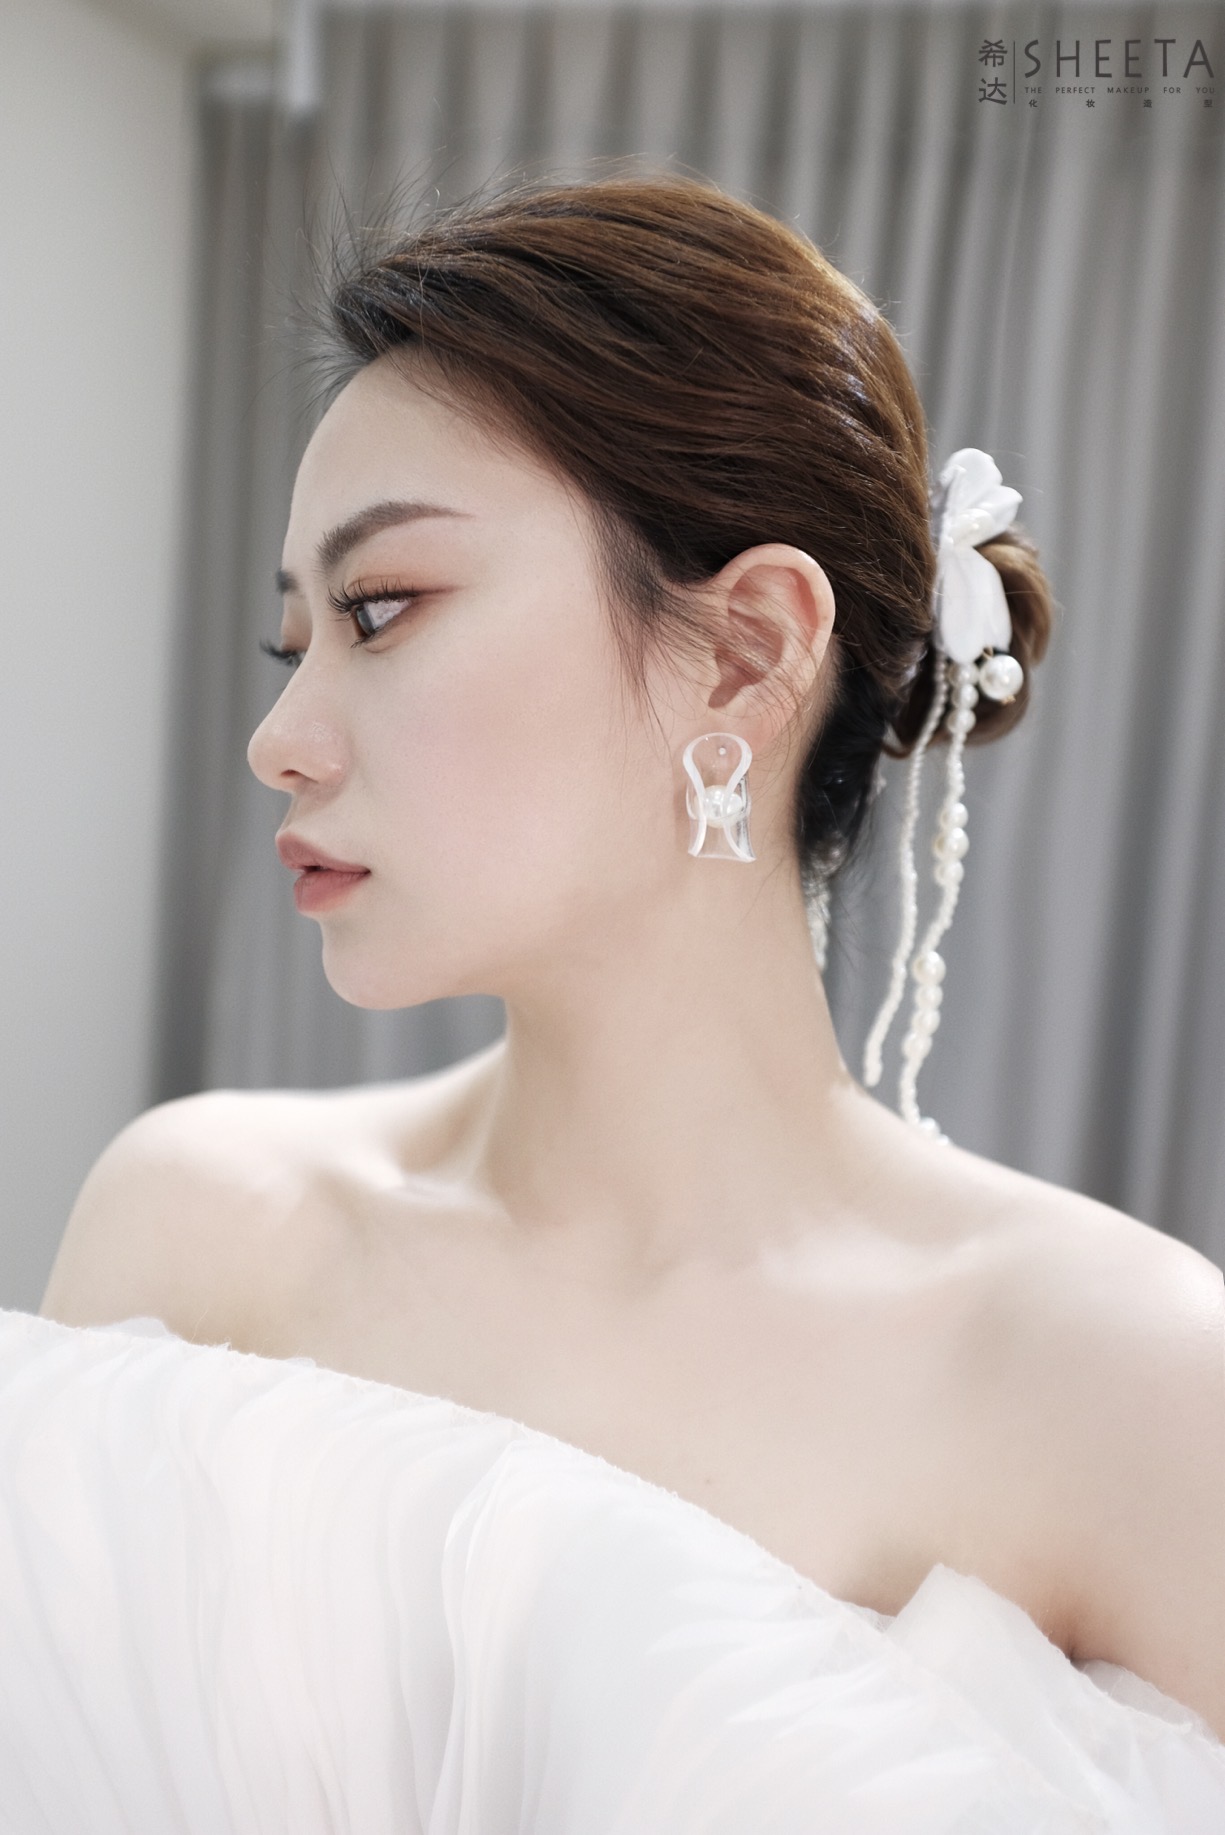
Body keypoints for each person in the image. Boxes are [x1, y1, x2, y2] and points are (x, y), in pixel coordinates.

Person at [6, 174, 1224, 1829]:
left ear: (745, 650)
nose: (278, 741)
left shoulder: (1121, 1382)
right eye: (295, 644)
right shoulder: (202, 1229)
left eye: (381, 612)